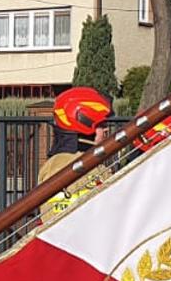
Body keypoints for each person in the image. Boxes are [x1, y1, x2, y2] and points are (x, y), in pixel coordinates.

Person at [38, 86, 114, 218]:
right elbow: (56, 218)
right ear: (84, 122)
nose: (106, 129)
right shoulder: (61, 166)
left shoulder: (86, 161)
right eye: (101, 125)